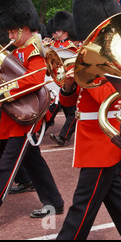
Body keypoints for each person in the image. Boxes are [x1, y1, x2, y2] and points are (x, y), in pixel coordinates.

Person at [56, 0, 121, 240]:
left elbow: (110, 97)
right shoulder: (88, 59)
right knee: (114, 197)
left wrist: (82, 73)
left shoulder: (109, 60)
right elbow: (69, 103)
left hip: (103, 140)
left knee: (82, 204)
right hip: (91, 137)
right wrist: (68, 85)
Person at [0, 0, 64, 233]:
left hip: (27, 119)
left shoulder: (34, 49)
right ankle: (54, 202)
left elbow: (36, 78)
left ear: (25, 28)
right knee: (33, 162)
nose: (10, 36)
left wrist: (5, 90)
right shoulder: (18, 50)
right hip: (16, 116)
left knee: (7, 168)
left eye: (13, 31)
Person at [48, 11, 78, 147]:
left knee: (71, 112)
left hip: (68, 82)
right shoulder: (54, 45)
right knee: (64, 110)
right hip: (57, 82)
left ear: (65, 30)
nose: (56, 32)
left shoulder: (71, 47)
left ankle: (63, 136)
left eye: (58, 29)